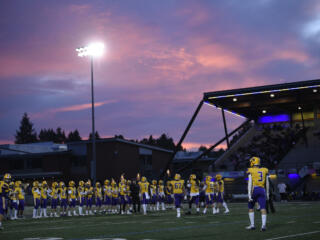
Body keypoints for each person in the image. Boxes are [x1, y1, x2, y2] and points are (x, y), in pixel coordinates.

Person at [246, 156, 269, 231]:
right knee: (263, 208)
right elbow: (267, 183)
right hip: (262, 190)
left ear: (252, 162)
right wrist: (267, 193)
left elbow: (250, 183)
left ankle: (252, 225)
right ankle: (263, 226)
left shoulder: (251, 170)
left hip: (254, 190)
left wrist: (249, 195)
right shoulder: (264, 170)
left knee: (250, 207)